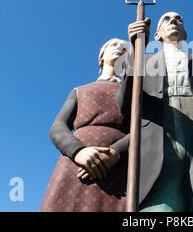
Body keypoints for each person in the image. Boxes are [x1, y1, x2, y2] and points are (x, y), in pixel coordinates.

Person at [110, 12, 193, 212]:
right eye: (166, 19)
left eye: (178, 19)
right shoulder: (143, 62)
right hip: (158, 145)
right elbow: (125, 105)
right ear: (157, 34)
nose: (173, 21)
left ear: (185, 33)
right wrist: (134, 51)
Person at [40, 38, 129, 212]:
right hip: (74, 165)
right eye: (114, 44)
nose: (120, 48)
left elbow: (146, 128)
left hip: (121, 169)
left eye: (125, 48)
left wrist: (115, 153)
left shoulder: (135, 95)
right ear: (101, 57)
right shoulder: (79, 91)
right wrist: (78, 151)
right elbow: (57, 127)